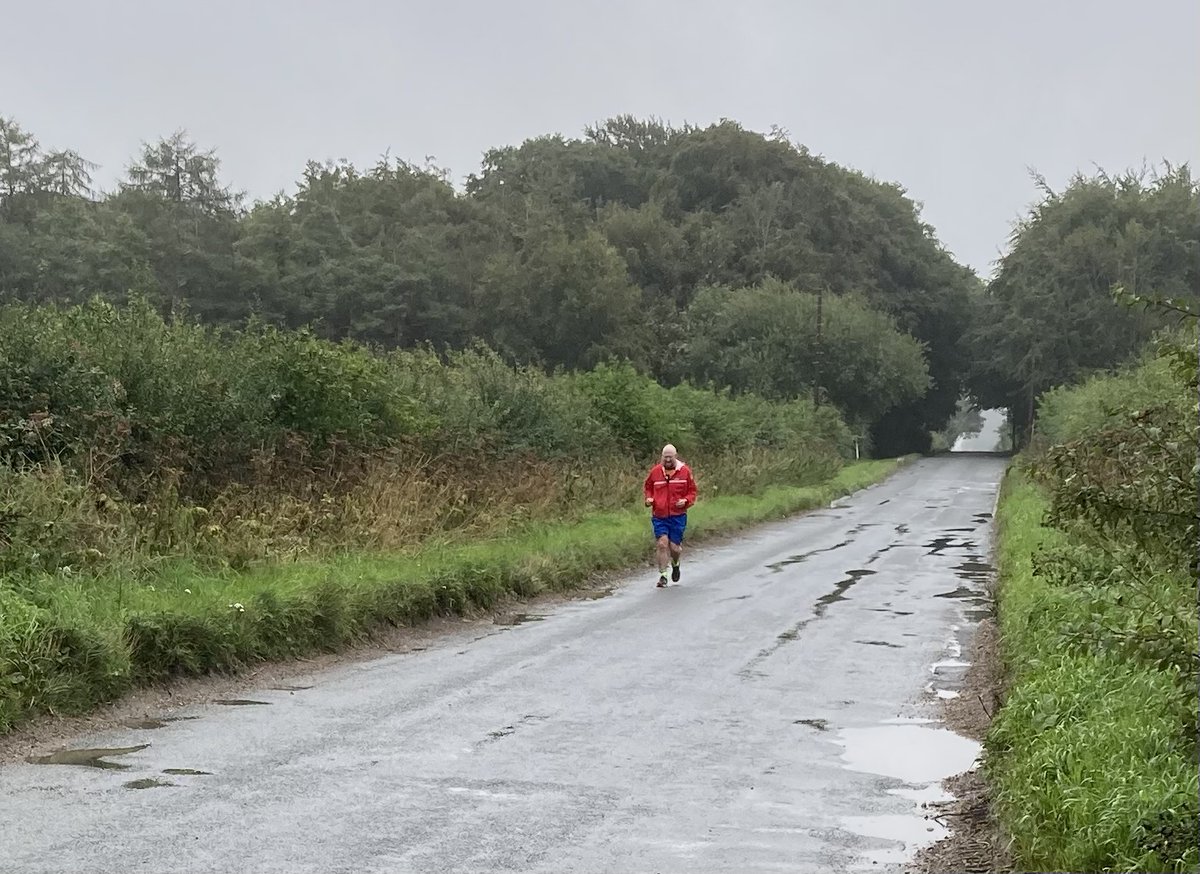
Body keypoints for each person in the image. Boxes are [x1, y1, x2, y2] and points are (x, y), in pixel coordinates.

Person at [643, 444, 697, 587]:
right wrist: (649, 499)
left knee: (675, 548)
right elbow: (648, 487)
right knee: (662, 544)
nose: (667, 460)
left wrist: (685, 501)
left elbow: (692, 492)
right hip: (659, 515)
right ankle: (663, 576)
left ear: (675, 456)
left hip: (678, 516)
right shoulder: (655, 472)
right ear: (661, 457)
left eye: (670, 457)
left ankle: (675, 563)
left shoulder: (685, 472)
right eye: (665, 457)